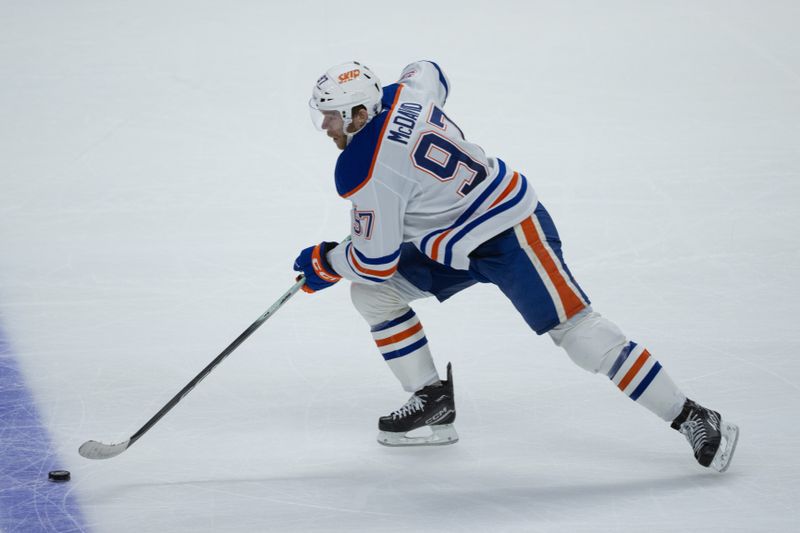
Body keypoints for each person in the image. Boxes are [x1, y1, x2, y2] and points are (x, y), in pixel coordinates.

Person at [293, 60, 739, 471]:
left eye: (331, 116)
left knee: (581, 335)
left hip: (510, 230)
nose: (325, 126)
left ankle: (692, 415)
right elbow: (429, 70)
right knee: (374, 296)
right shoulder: (404, 93)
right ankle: (431, 399)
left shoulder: (364, 167)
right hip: (454, 244)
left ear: (359, 114)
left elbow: (374, 260)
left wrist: (326, 262)